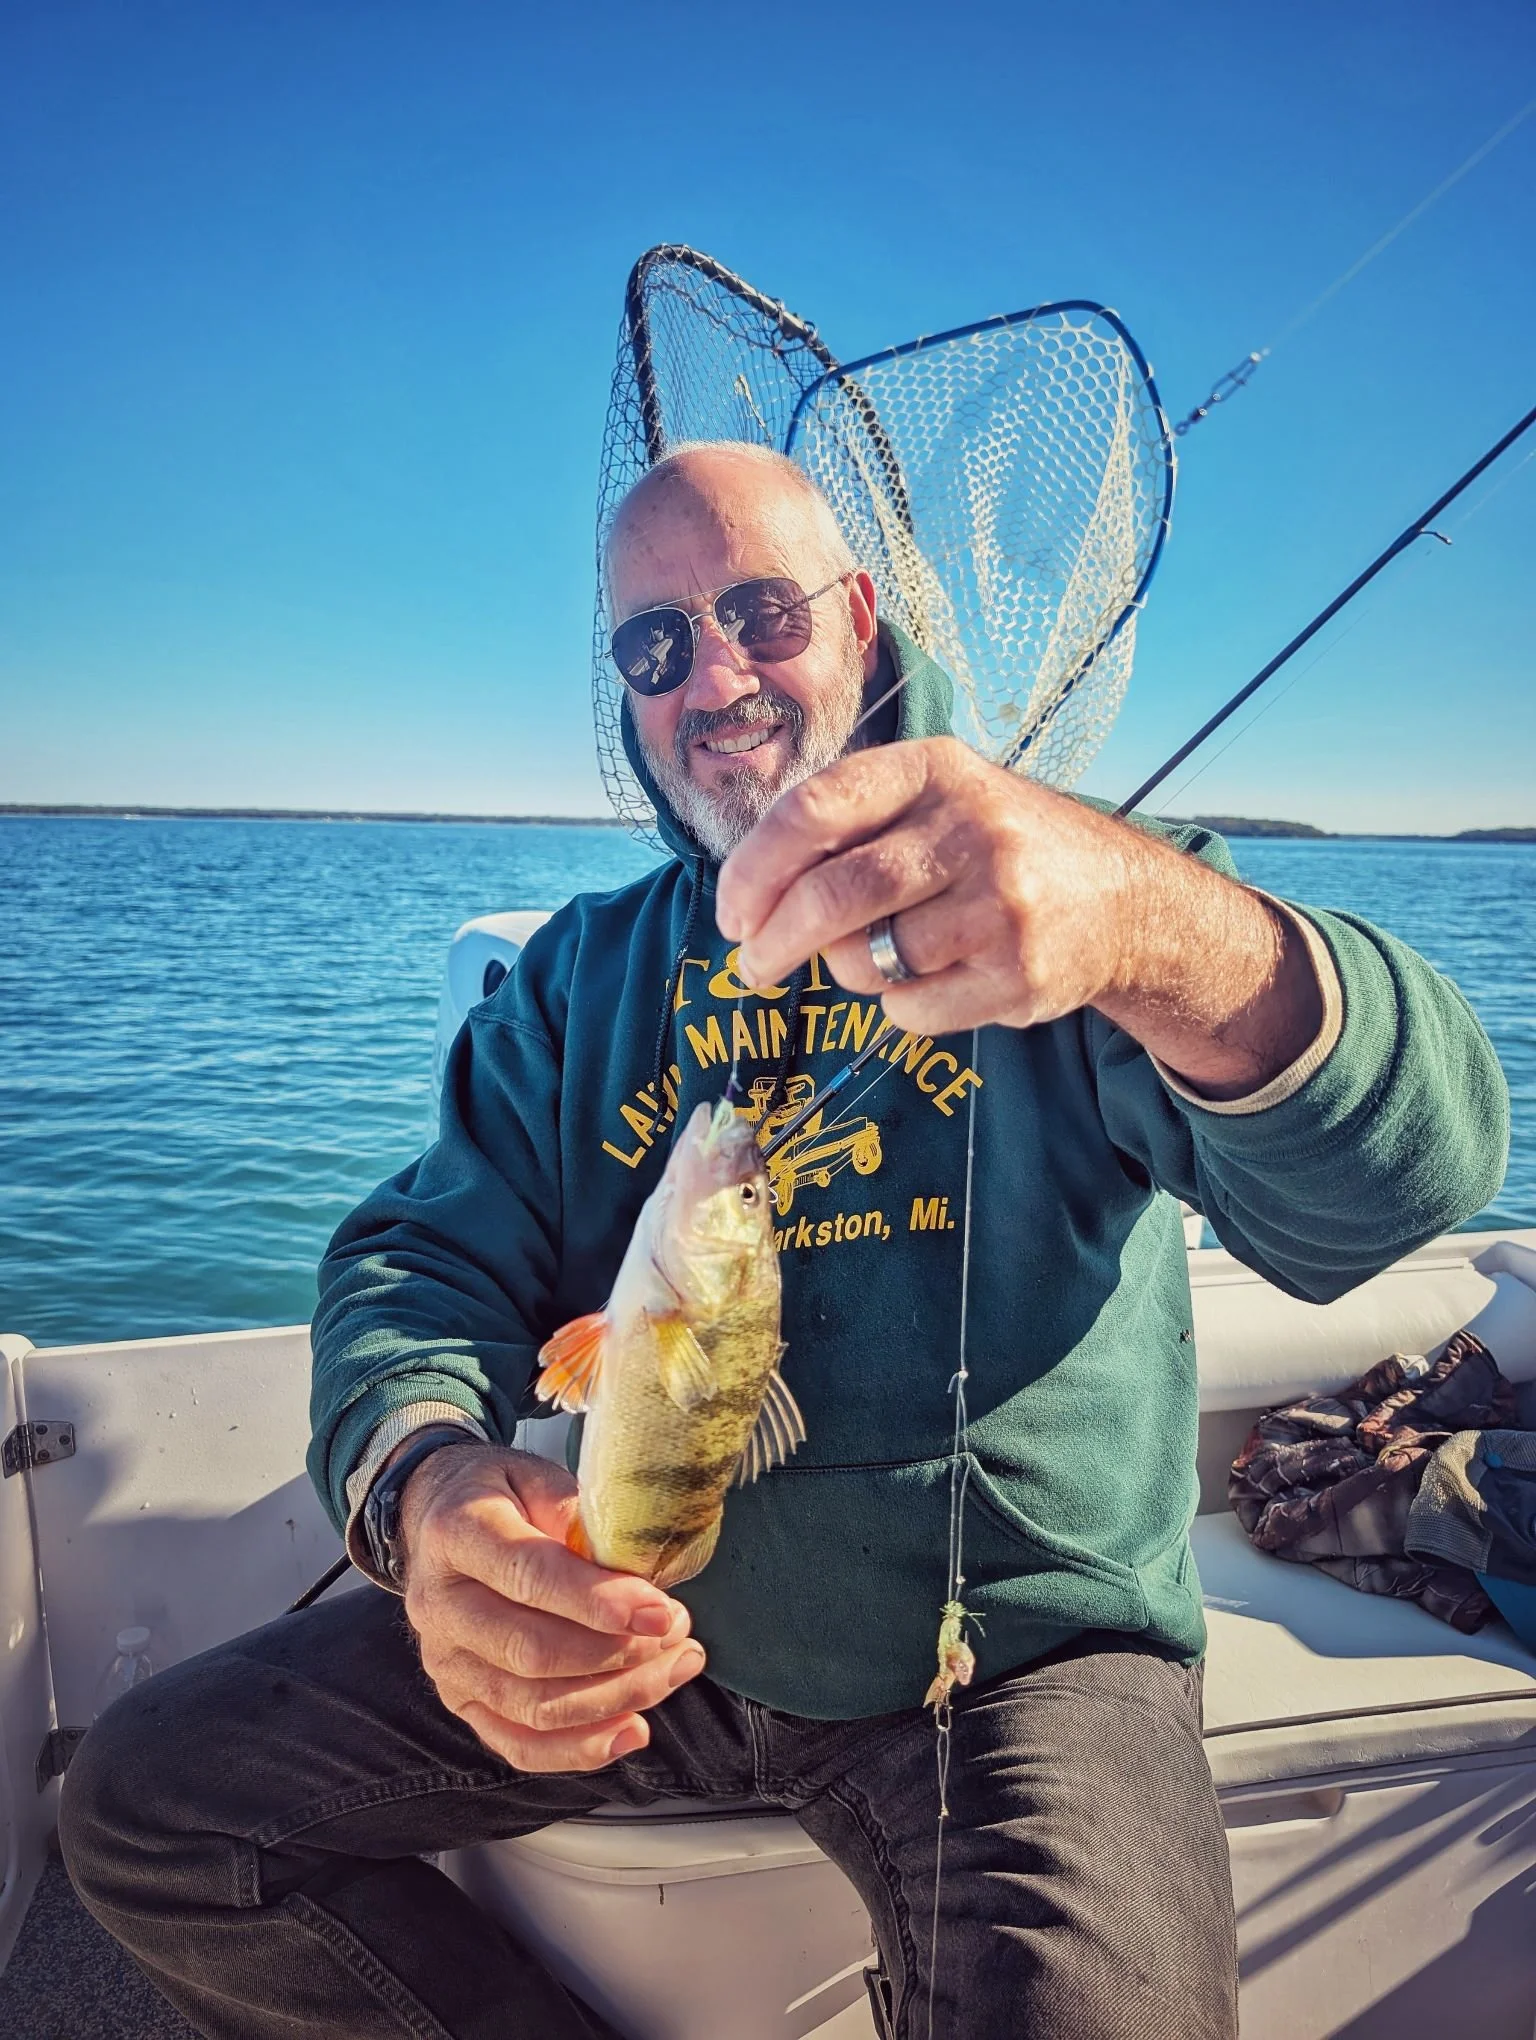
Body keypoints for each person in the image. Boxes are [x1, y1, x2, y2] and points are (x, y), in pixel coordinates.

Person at [61, 442, 1509, 2040]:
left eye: (762, 610)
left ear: (863, 617)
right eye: (654, 643)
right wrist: (427, 1481)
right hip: (640, 1634)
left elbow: (1407, 1183)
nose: (715, 676)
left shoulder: (1062, 889)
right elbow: (420, 1258)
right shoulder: (580, 979)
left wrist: (1164, 938)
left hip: (1015, 1665)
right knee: (145, 1807)